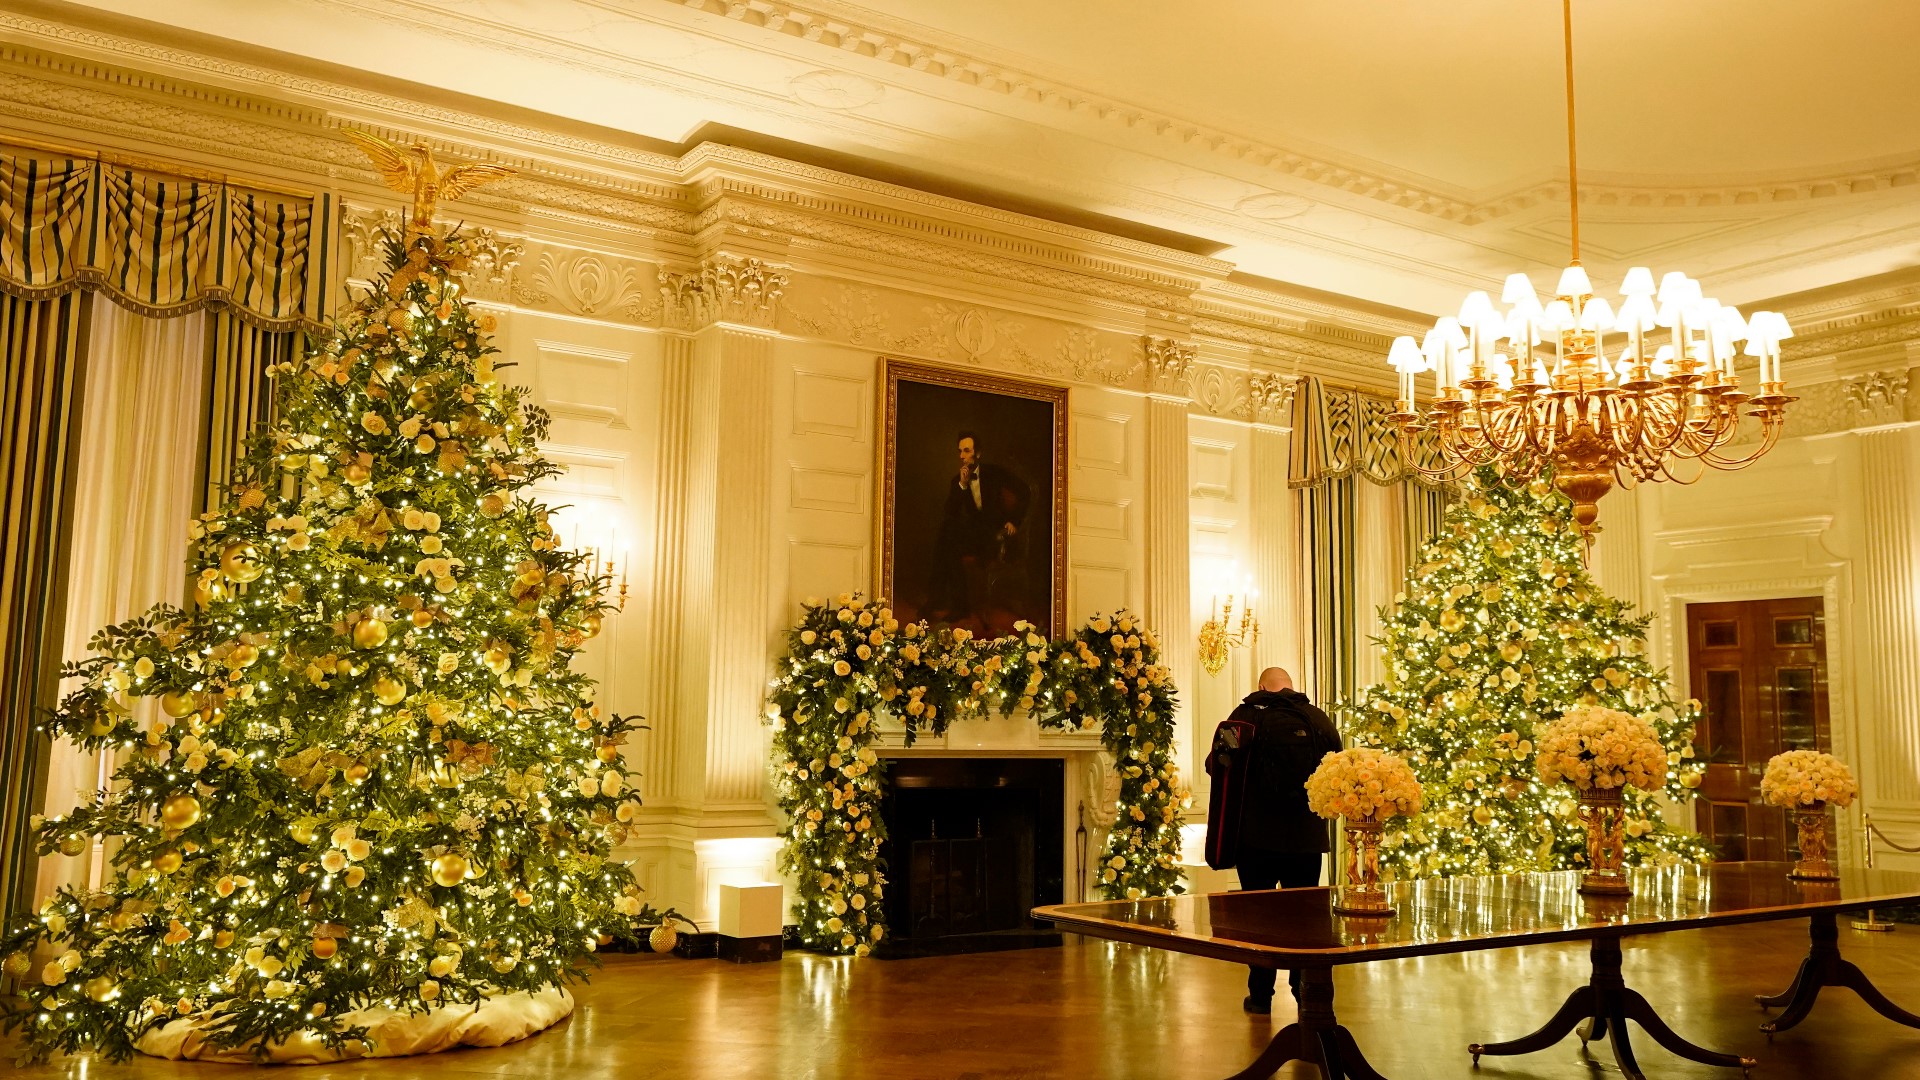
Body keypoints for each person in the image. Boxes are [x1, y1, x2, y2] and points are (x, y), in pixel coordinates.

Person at [1228, 666, 1342, 1015]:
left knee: (1258, 920)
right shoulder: (1318, 718)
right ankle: (1305, 994)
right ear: (1292, 687)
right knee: (1304, 922)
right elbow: (1337, 768)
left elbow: (1218, 764)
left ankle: (1260, 996)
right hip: (1306, 839)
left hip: (1256, 838)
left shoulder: (1244, 716)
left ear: (1261, 686)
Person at [928, 430, 1030, 634]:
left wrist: (1014, 521)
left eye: (967, 450)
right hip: (976, 536)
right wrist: (962, 486)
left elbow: (1024, 491)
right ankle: (957, 604)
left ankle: (939, 599)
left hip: (997, 536)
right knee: (948, 535)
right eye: (960, 451)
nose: (962, 456)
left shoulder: (995, 473)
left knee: (948, 541)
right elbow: (950, 513)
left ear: (978, 453)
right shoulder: (958, 481)